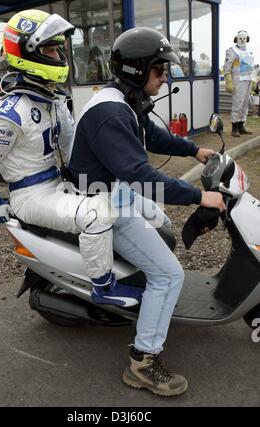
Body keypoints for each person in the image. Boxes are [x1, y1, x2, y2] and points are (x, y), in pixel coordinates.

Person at [68, 28, 225, 397]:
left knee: (164, 224)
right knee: (171, 275)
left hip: (114, 191)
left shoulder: (124, 100)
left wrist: (195, 151)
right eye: (160, 71)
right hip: (102, 203)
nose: (165, 77)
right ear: (138, 71)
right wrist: (200, 198)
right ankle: (142, 361)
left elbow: (152, 137)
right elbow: (141, 177)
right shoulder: (110, 113)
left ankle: (145, 290)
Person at [0, 9, 143, 307]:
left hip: (58, 183)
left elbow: (71, 143)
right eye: (50, 49)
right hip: (30, 195)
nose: (60, 55)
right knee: (97, 213)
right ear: (27, 54)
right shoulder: (10, 114)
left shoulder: (51, 99)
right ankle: (103, 287)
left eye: (59, 48)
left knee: (127, 199)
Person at [224, 30, 254, 137]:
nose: (242, 40)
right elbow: (227, 67)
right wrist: (228, 81)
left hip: (248, 80)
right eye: (240, 38)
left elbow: (251, 67)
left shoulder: (250, 50)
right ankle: (235, 127)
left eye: (244, 38)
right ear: (237, 38)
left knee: (245, 104)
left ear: (247, 39)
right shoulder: (232, 51)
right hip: (238, 80)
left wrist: (253, 80)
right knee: (238, 104)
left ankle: (241, 125)